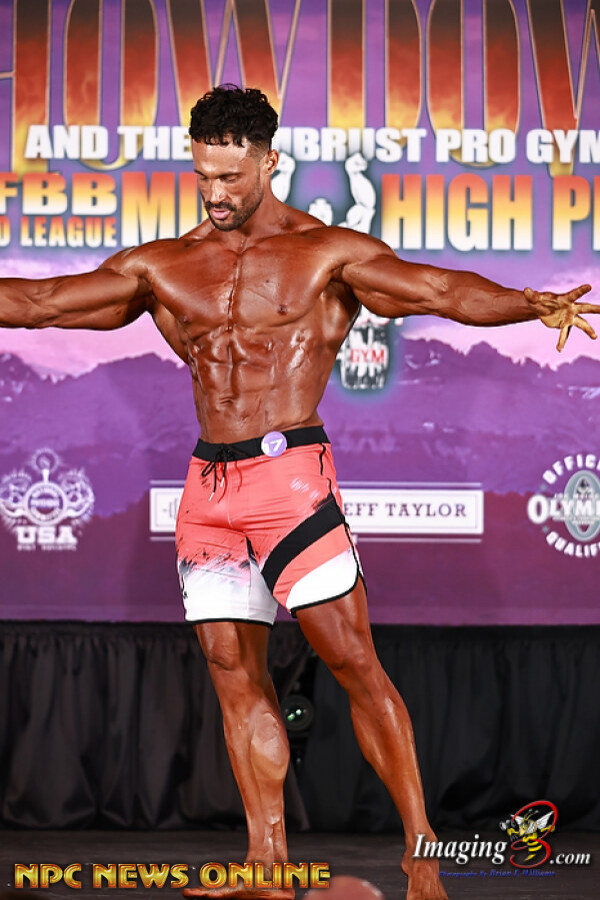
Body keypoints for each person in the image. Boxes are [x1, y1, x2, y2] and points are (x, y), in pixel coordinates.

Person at [0, 85, 598, 900]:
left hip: (291, 479)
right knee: (232, 671)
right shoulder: (162, 265)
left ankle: (422, 856)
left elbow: (437, 290)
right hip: (208, 489)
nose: (215, 193)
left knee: (353, 664)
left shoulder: (326, 254)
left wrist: (528, 303)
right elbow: (39, 303)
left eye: (231, 178)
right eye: (203, 176)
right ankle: (266, 866)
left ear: (270, 163)